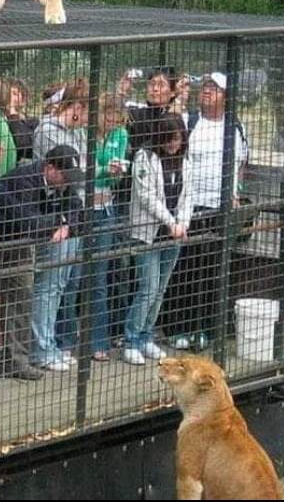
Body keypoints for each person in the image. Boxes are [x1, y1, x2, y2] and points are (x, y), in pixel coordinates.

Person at [0, 144, 87, 378]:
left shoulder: (62, 185)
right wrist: (59, 221)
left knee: (20, 298)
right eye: (64, 176)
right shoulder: (23, 179)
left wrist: (67, 225)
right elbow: (27, 220)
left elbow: (78, 210)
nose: (67, 183)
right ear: (49, 168)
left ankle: (16, 361)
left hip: (21, 244)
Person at [163, 72, 247, 351]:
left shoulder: (235, 127)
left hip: (220, 208)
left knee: (214, 271)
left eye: (215, 88)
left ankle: (206, 330)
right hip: (190, 208)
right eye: (206, 86)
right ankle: (178, 328)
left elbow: (241, 162)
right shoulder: (190, 122)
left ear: (226, 95)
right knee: (185, 270)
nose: (208, 91)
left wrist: (235, 192)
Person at [59, 93, 129, 362]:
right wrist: (102, 170)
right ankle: (65, 339)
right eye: (109, 116)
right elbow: (83, 170)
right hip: (82, 208)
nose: (112, 122)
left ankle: (98, 340)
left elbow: (117, 167)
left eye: (117, 118)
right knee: (72, 277)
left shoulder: (120, 135)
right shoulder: (82, 134)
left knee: (98, 278)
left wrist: (116, 172)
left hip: (106, 208)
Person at [123, 113, 193, 365]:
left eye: (178, 139)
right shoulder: (145, 158)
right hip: (147, 235)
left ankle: (146, 336)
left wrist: (183, 223)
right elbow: (147, 197)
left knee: (161, 289)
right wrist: (171, 222)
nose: (174, 144)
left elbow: (188, 196)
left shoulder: (185, 160)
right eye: (169, 139)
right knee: (148, 288)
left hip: (173, 236)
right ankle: (131, 340)